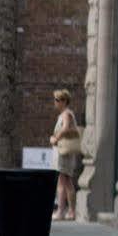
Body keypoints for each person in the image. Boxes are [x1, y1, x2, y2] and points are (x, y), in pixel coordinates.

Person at [50, 89, 83, 220]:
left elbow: (65, 128)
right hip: (65, 152)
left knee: (62, 182)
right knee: (67, 182)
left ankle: (61, 211)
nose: (55, 103)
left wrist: (55, 139)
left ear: (64, 101)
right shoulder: (67, 114)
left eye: (57, 100)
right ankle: (71, 211)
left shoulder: (66, 114)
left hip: (63, 153)